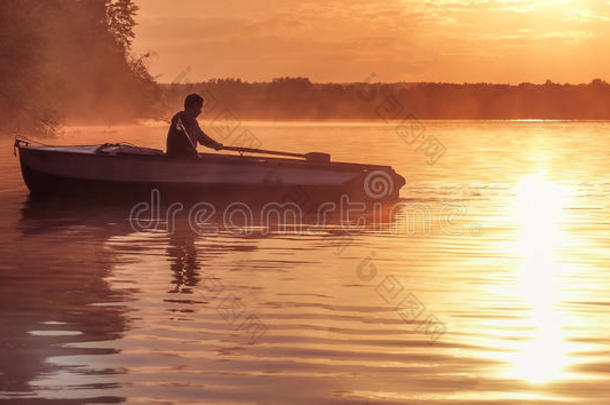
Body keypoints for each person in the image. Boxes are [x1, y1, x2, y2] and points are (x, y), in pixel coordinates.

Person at [166, 93, 223, 158]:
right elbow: (183, 143)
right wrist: (194, 154)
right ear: (193, 106)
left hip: (189, 157)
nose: (200, 111)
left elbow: (202, 138)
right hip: (176, 158)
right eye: (199, 107)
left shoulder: (194, 122)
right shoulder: (179, 119)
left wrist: (215, 145)